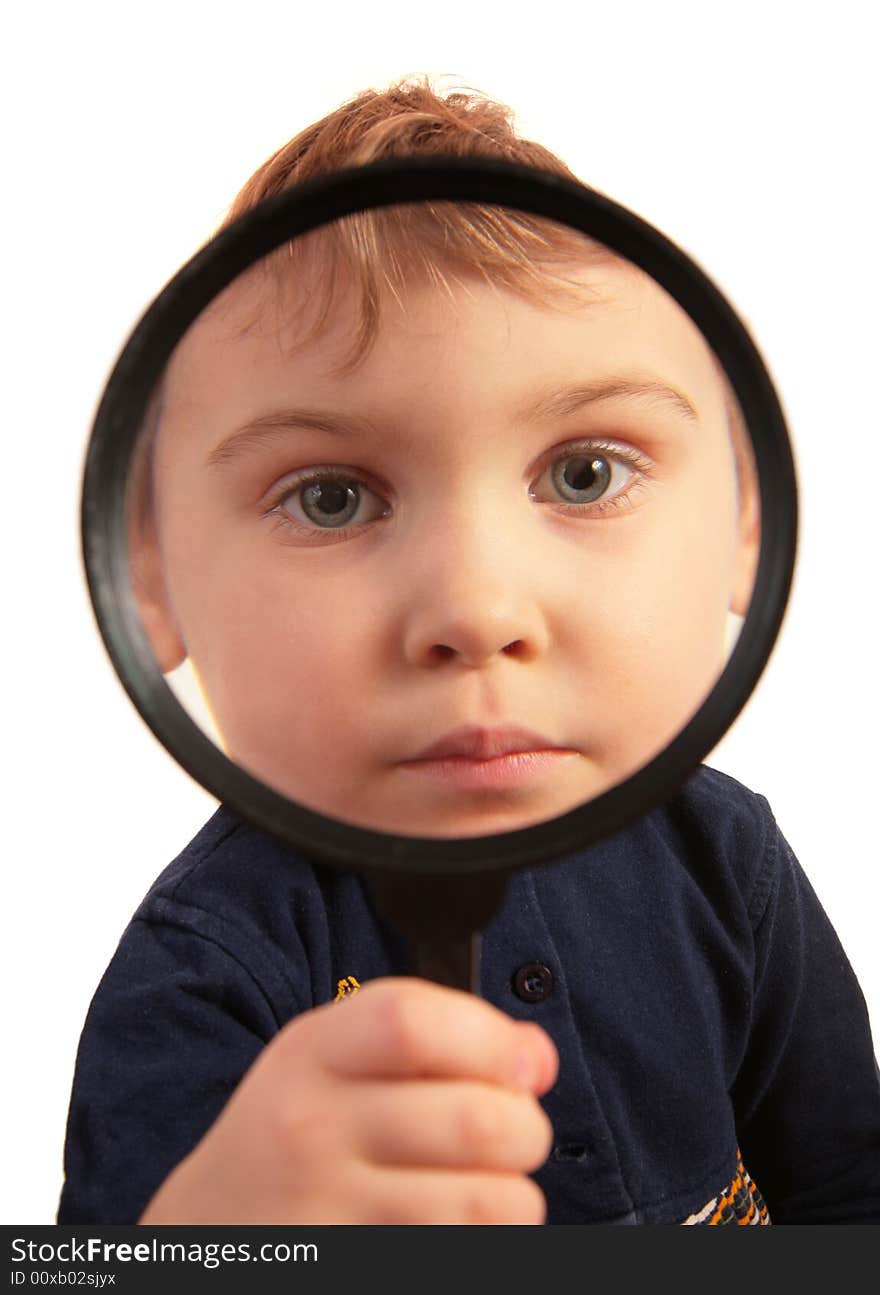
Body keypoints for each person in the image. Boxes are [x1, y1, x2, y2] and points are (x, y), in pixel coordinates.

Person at [58, 78, 879, 1225]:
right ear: (151, 577)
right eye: (332, 496)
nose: (476, 606)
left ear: (743, 526)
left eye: (585, 472)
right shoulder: (208, 965)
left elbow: (845, 1194)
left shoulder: (724, 853)